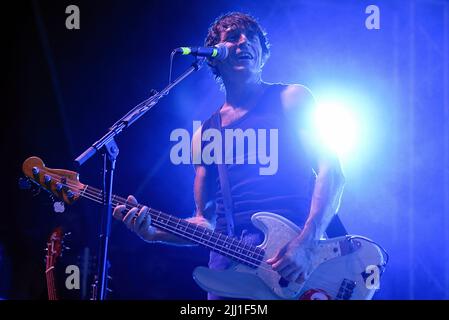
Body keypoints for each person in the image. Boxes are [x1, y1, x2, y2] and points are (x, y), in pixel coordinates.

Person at [112, 12, 345, 300]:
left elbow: (331, 172)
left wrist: (307, 243)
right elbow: (205, 222)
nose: (243, 42)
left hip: (292, 257)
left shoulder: (292, 98)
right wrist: (154, 233)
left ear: (263, 54)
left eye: (252, 37)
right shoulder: (205, 135)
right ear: (213, 57)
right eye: (233, 37)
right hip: (229, 268)